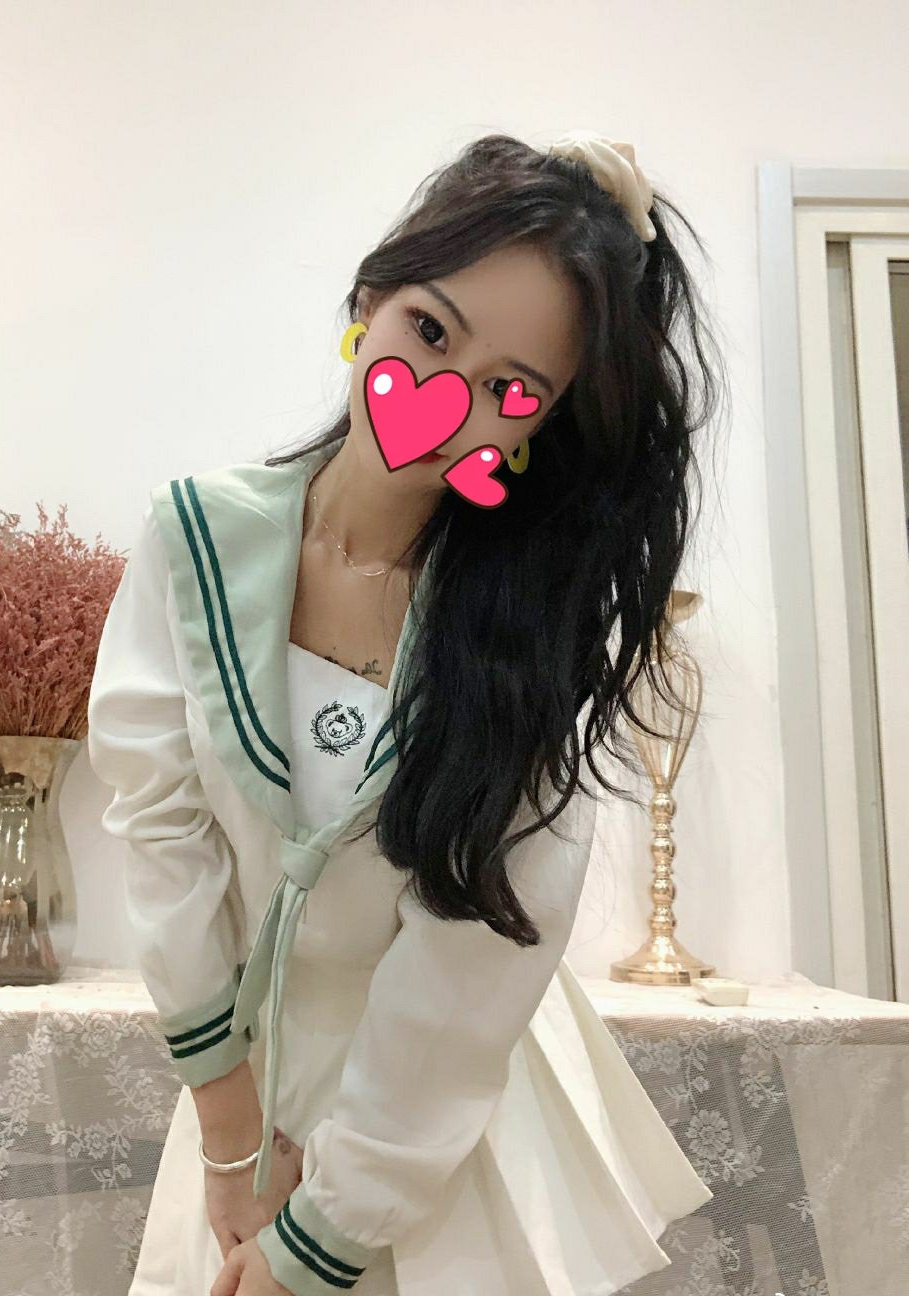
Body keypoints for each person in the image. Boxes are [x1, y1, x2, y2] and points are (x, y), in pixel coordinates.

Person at [86, 129, 726, 1296]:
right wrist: (230, 1137)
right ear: (368, 300)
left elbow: (468, 972)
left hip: (440, 1139)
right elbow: (160, 830)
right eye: (430, 331)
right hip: (248, 1106)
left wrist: (316, 1239)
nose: (441, 402)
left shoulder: (524, 645)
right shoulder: (195, 540)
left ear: (533, 436)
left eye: (508, 390)